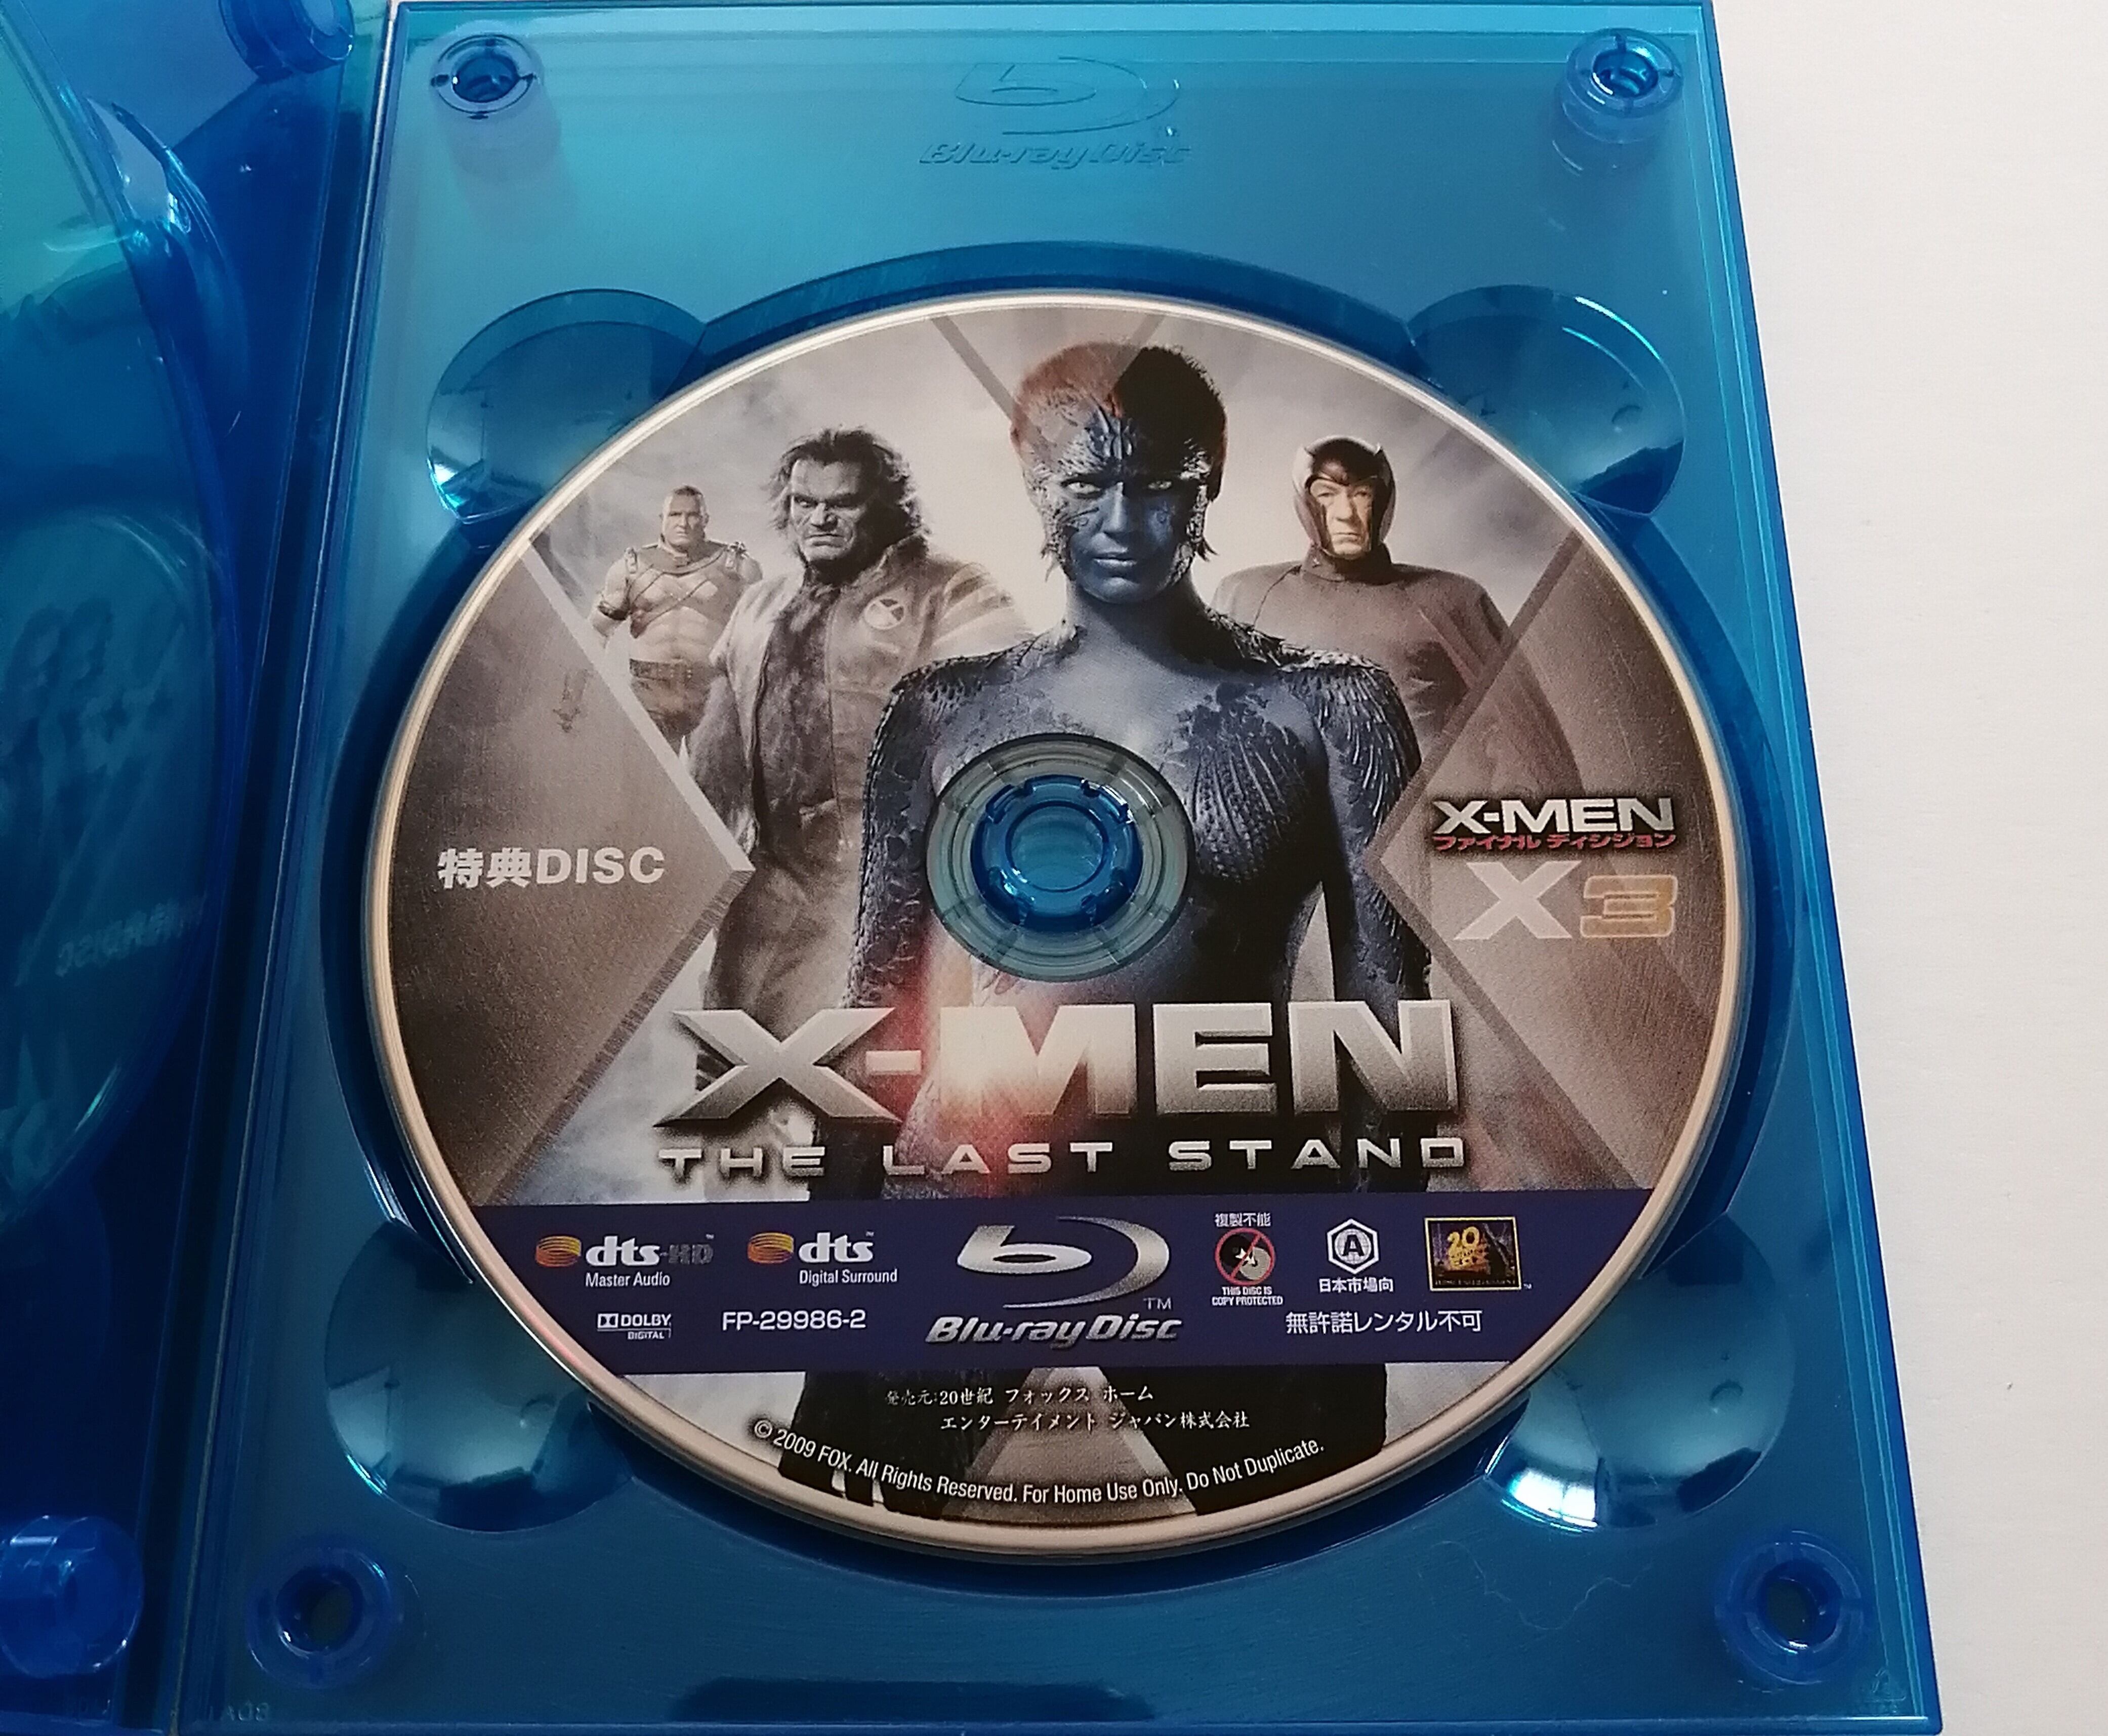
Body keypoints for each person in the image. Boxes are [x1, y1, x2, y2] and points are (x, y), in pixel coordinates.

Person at [779, 346, 1432, 1517]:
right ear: (1036, 488)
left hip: (1231, 1213)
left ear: (1206, 481)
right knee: (846, 1543)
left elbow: (1389, 1004)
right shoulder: (943, 708)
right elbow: (878, 992)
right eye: (1086, 486)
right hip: (963, 1189)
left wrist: (1368, 1281)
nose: (1123, 521)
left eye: (1158, 485)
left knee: (1308, 1548)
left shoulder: (1332, 705)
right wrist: (838, 1286)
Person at [692, 429, 1023, 1038]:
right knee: (731, 1066)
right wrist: (695, 860)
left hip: (896, 890)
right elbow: (714, 759)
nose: (818, 519)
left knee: (870, 1067)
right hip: (770, 884)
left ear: (884, 507)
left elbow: (1012, 731)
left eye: (841, 503)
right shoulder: (759, 605)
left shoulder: (950, 590)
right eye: (803, 502)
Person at [1215, 437, 1571, 776]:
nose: (1346, 514)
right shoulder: (1246, 595)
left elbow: (1531, 742)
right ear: (1305, 503)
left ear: (1383, 501)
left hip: (1418, 810)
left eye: (1362, 495)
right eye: (1327, 494)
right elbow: (1206, 730)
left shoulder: (1450, 600)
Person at [592, 486, 759, 752]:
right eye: (675, 515)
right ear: (662, 519)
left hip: (712, 693)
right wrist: (585, 690)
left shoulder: (739, 568)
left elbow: (760, 639)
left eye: (692, 515)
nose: (683, 523)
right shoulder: (630, 569)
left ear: (705, 520)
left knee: (711, 776)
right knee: (645, 773)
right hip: (649, 693)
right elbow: (596, 632)